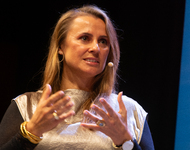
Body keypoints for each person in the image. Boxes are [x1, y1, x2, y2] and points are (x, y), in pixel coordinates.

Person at [0, 5, 154, 150]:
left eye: (103, 41)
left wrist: (126, 142)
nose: (95, 48)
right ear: (61, 46)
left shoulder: (129, 111)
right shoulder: (27, 105)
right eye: (85, 38)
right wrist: (30, 132)